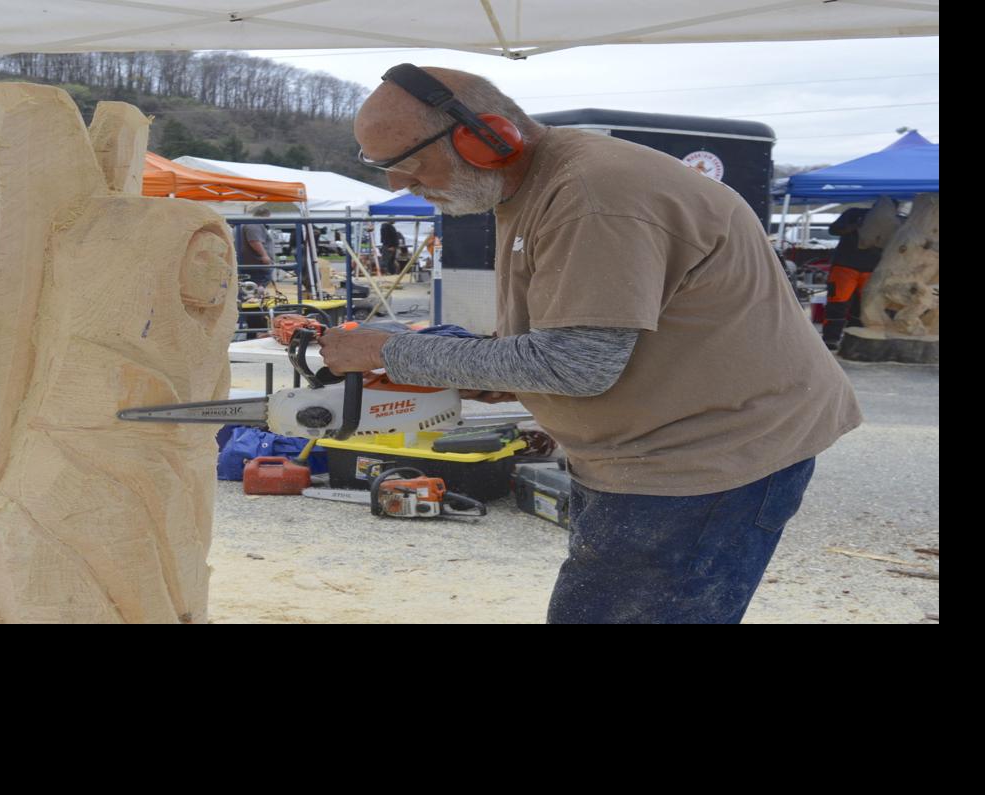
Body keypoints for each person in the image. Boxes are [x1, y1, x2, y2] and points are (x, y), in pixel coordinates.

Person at [319, 65, 863, 624]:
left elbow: (576, 366)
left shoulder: (591, 194)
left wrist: (388, 352)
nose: (398, 185)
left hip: (709, 456)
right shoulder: (531, 186)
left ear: (484, 136)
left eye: (404, 163)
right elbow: (554, 345)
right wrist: (438, 364)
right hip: (649, 449)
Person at [821, 206, 884, 350]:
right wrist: (856, 226)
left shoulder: (895, 219)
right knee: (838, 303)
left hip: (872, 269)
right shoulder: (854, 213)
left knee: (864, 306)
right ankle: (831, 339)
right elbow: (834, 230)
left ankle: (854, 339)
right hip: (845, 267)